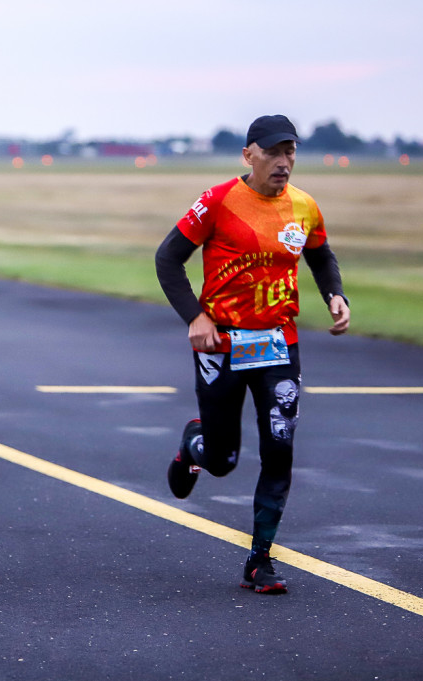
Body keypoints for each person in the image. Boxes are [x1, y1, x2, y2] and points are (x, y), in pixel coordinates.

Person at [155, 115, 350, 594]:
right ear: (249, 154)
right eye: (273, 152)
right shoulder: (218, 201)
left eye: (290, 152)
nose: (283, 162)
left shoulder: (304, 207)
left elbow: (320, 254)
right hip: (221, 342)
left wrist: (334, 295)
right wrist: (196, 318)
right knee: (223, 461)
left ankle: (260, 560)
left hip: (279, 343)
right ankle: (195, 445)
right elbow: (168, 258)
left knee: (279, 448)